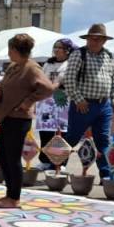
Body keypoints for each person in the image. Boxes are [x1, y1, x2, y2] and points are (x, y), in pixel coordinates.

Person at [0, 34, 55, 209]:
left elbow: (48, 88)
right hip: (6, 116)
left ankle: (14, 197)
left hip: (19, 118)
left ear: (14, 49)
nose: (8, 52)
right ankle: (9, 193)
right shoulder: (13, 66)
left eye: (10, 49)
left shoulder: (31, 68)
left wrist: (28, 101)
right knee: (1, 155)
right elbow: (4, 85)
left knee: (12, 158)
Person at [64, 24, 114, 180]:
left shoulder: (108, 55)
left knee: (103, 141)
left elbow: (113, 78)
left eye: (98, 39)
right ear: (87, 39)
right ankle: (57, 167)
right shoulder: (79, 54)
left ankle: (106, 175)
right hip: (83, 105)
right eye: (92, 38)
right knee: (72, 138)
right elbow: (69, 79)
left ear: (104, 41)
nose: (94, 41)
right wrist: (78, 99)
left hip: (104, 105)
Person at [35, 38, 73, 170]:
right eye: (55, 47)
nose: (56, 50)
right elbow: (41, 78)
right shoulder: (48, 63)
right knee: (45, 132)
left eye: (59, 47)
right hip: (45, 101)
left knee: (61, 133)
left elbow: (66, 80)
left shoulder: (71, 63)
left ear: (67, 50)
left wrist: (56, 85)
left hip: (62, 100)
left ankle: (60, 162)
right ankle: (45, 160)